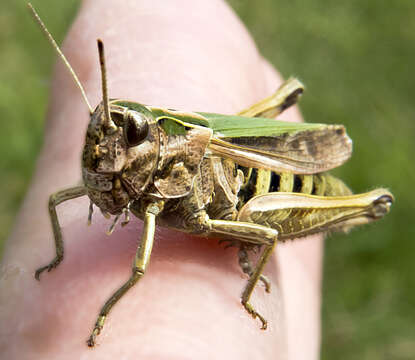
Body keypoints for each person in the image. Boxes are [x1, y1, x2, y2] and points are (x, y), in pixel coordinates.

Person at [0, 1, 322, 358]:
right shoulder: (137, 172)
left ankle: (245, 297)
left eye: (131, 134)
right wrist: (58, 258)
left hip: (266, 192)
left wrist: (102, 315)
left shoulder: (172, 173)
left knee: (265, 234)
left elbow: (139, 272)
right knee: (56, 199)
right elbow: (56, 201)